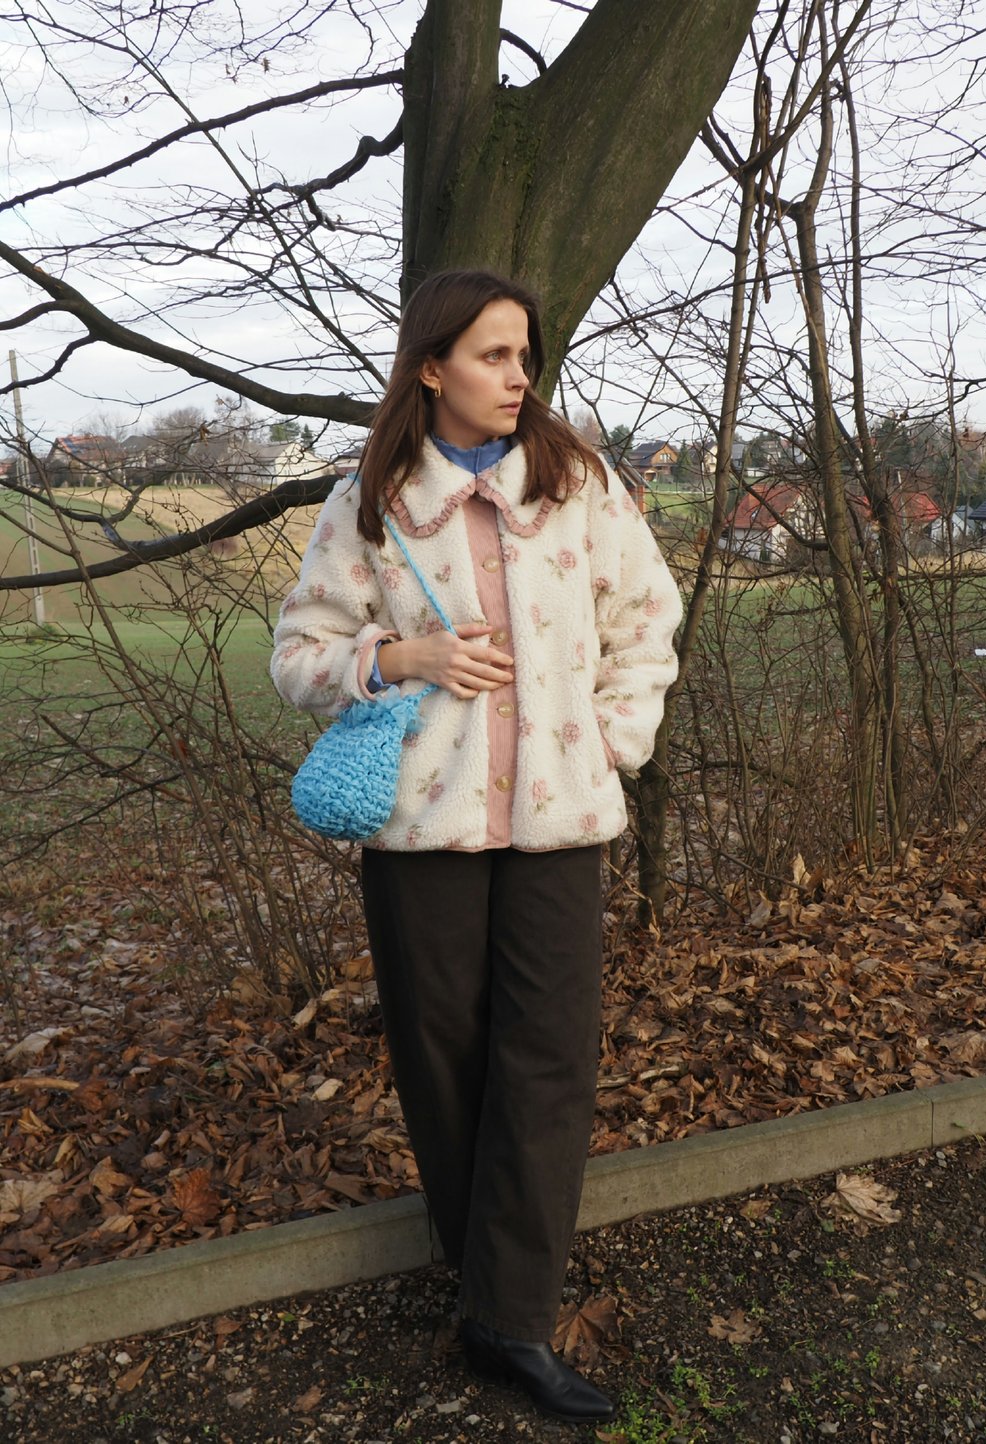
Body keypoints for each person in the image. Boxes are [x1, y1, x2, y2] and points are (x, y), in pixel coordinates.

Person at [270, 269, 682, 1424]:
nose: (518, 378)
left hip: (560, 823)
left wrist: (607, 744)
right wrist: (399, 660)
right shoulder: (370, 506)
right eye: (494, 356)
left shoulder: (578, 485)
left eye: (525, 357)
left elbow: (646, 623)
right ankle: (479, 1265)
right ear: (430, 367)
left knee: (548, 1057)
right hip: (421, 831)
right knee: (442, 1056)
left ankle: (509, 1316)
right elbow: (298, 656)